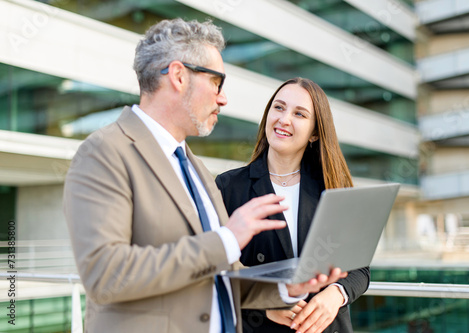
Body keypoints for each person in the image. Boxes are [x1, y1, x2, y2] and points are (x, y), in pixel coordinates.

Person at [63, 19, 347, 333]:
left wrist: (283, 291)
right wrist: (226, 239)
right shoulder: (104, 152)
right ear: (179, 76)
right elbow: (107, 275)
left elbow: (220, 273)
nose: (223, 98)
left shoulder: (193, 166)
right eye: (216, 83)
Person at [216, 78, 370, 333]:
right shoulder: (229, 186)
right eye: (278, 107)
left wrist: (336, 294)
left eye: (299, 114)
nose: (284, 119)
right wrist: (266, 302)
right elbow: (218, 269)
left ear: (315, 133)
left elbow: (359, 267)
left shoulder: (333, 185)